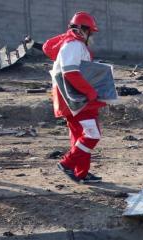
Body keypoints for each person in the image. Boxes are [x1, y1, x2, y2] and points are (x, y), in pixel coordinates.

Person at [42, 12, 105, 183]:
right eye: (90, 31)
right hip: (76, 98)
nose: (91, 36)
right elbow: (71, 72)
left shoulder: (70, 44)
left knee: (79, 135)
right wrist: (90, 92)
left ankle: (81, 173)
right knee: (92, 134)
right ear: (84, 30)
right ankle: (67, 163)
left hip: (70, 97)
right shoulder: (74, 45)